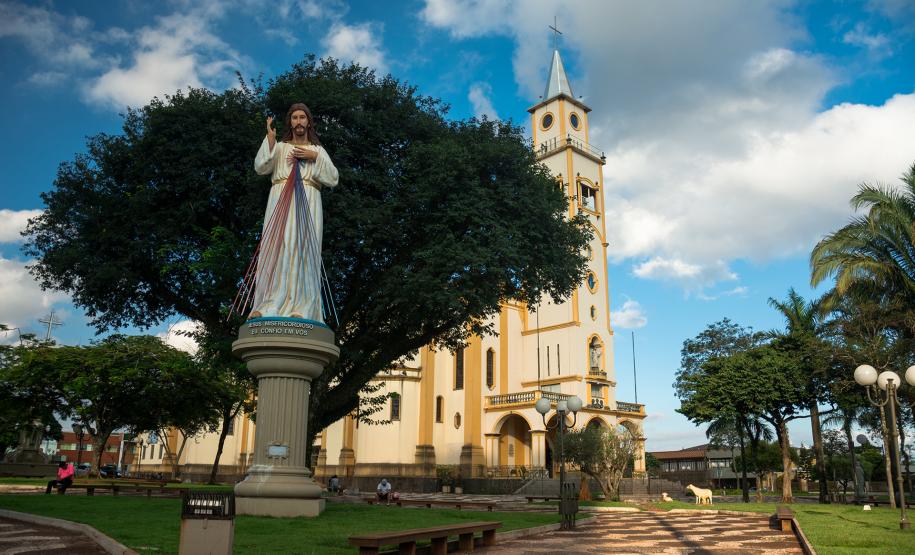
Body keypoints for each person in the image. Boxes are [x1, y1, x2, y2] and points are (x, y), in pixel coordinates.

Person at [245, 103, 339, 321]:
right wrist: (269, 140)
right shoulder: (279, 147)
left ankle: (303, 305)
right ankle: (268, 304)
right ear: (290, 122)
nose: (299, 121)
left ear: (308, 122)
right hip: (279, 197)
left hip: (309, 197)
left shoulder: (318, 150)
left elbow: (333, 178)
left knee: (303, 248)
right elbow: (261, 167)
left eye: (302, 117)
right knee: (275, 248)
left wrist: (314, 157)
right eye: (295, 117)